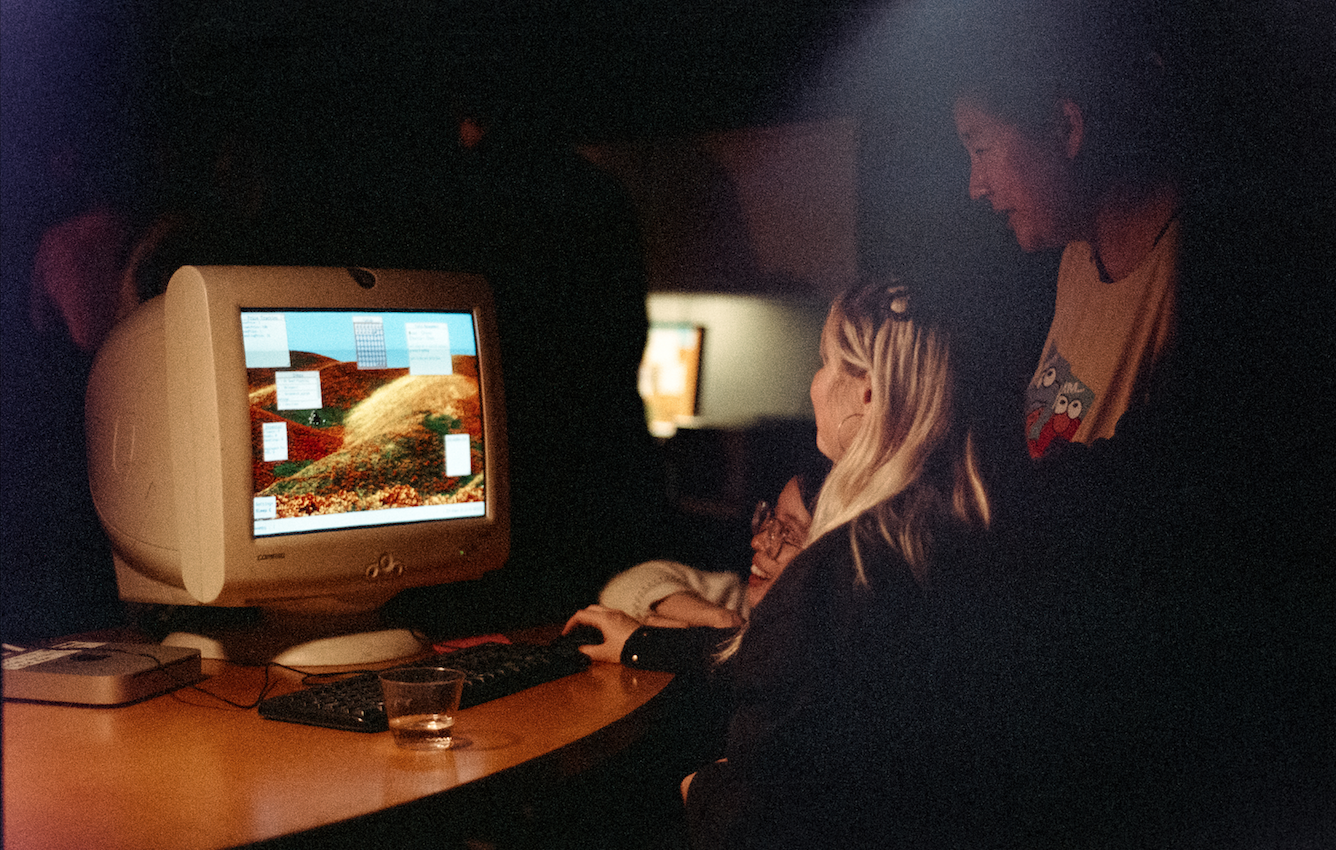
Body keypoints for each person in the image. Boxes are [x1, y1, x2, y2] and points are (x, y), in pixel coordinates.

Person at [944, 4, 1335, 842]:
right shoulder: (1074, 265)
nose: (973, 185)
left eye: (980, 146)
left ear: (1066, 125)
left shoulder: (1211, 273)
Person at [681, 279, 992, 850]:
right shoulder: (957, 544)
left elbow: (749, 830)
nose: (814, 384)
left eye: (825, 364)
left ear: (869, 392)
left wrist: (702, 787)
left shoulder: (832, 582)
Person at [563, 462, 825, 669]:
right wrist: (719, 620)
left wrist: (652, 644)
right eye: (769, 521)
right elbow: (625, 588)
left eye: (788, 533)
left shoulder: (807, 663)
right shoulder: (744, 604)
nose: (758, 541)